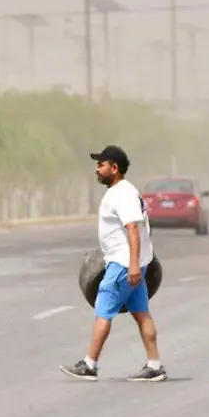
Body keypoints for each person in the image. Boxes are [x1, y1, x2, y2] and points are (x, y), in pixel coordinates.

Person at [60, 145, 166, 382]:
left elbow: (133, 229)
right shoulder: (123, 191)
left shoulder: (122, 194)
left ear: (114, 168)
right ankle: (155, 365)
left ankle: (90, 364)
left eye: (101, 165)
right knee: (142, 314)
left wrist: (133, 265)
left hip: (122, 264)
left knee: (103, 312)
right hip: (127, 262)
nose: (97, 169)